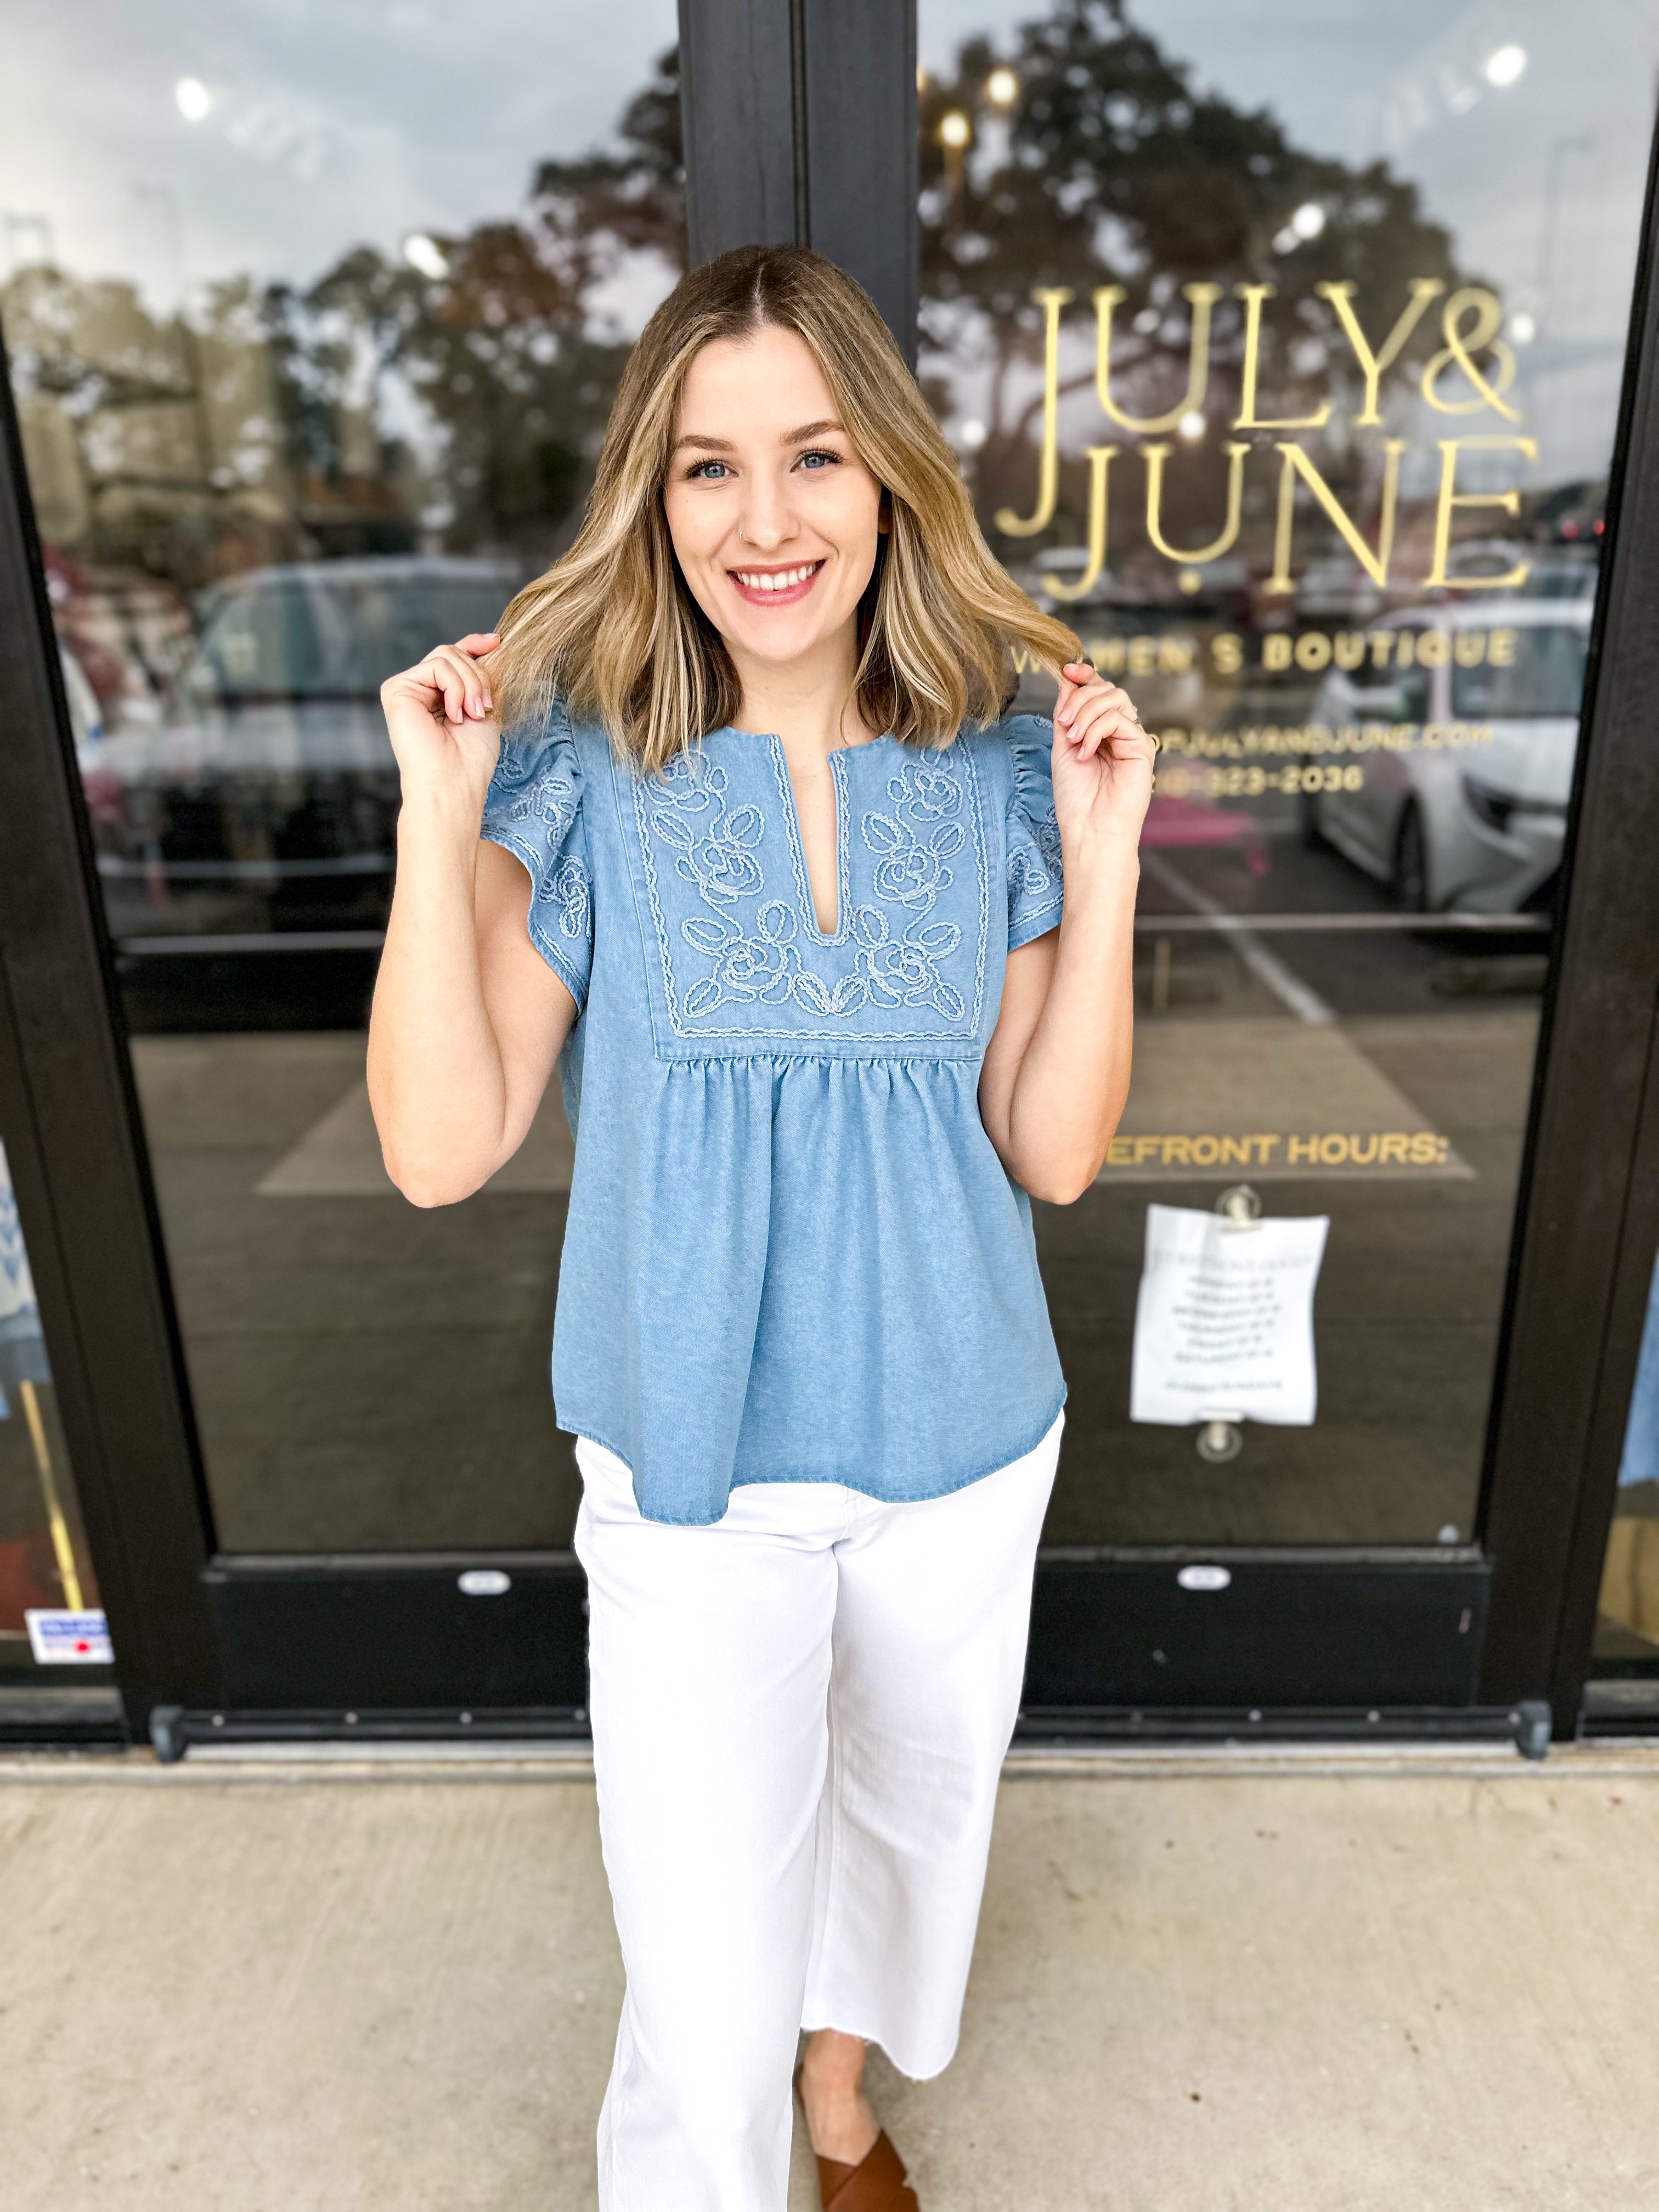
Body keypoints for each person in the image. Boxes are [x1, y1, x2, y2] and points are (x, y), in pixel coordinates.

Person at [367, 244, 1152, 2212]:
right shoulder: (579, 764)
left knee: (905, 1832)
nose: (767, 519)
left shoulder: (995, 757)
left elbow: (1048, 1152)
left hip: (964, 1439)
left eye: (813, 456)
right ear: (657, 493)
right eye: (710, 467)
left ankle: (839, 2104)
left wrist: (1109, 862)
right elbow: (441, 1146)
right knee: (700, 1956)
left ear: (886, 476)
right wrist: (430, 822)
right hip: (691, 1464)